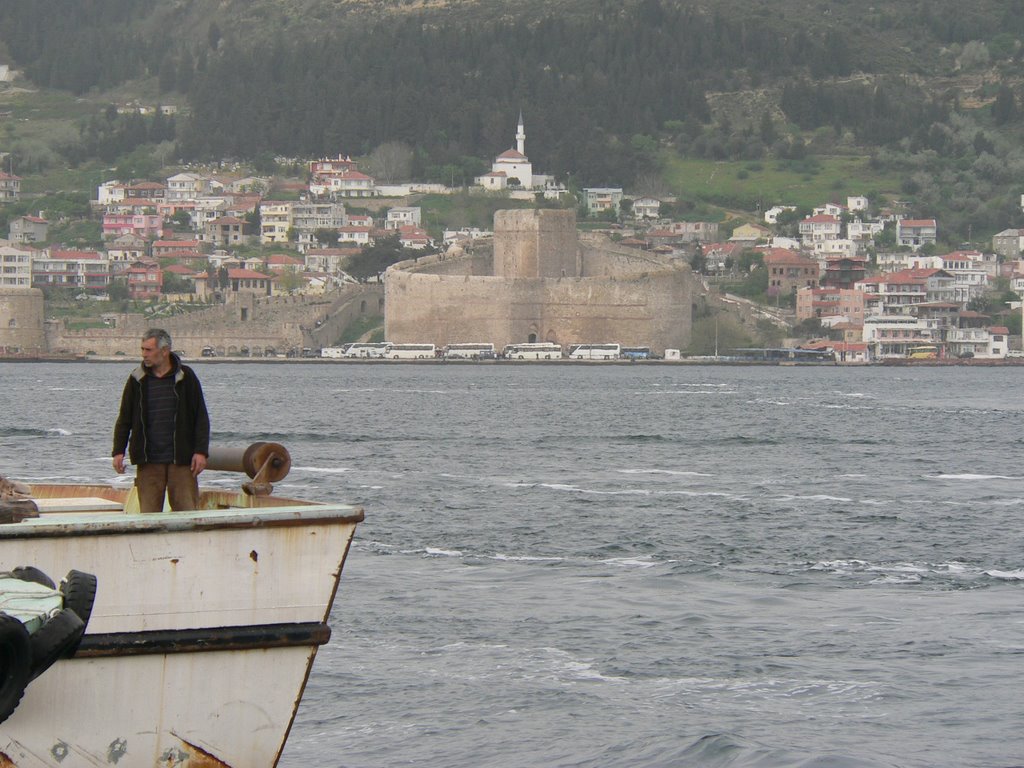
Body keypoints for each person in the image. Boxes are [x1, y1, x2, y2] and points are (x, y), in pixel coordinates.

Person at [112, 328, 210, 513]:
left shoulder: (186, 377)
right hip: (148, 460)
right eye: (142, 349)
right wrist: (118, 451)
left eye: (148, 350)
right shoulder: (136, 379)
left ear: (164, 351)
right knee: (149, 516)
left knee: (186, 513)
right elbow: (124, 418)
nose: (143, 355)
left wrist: (200, 452)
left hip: (181, 460)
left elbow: (200, 417)